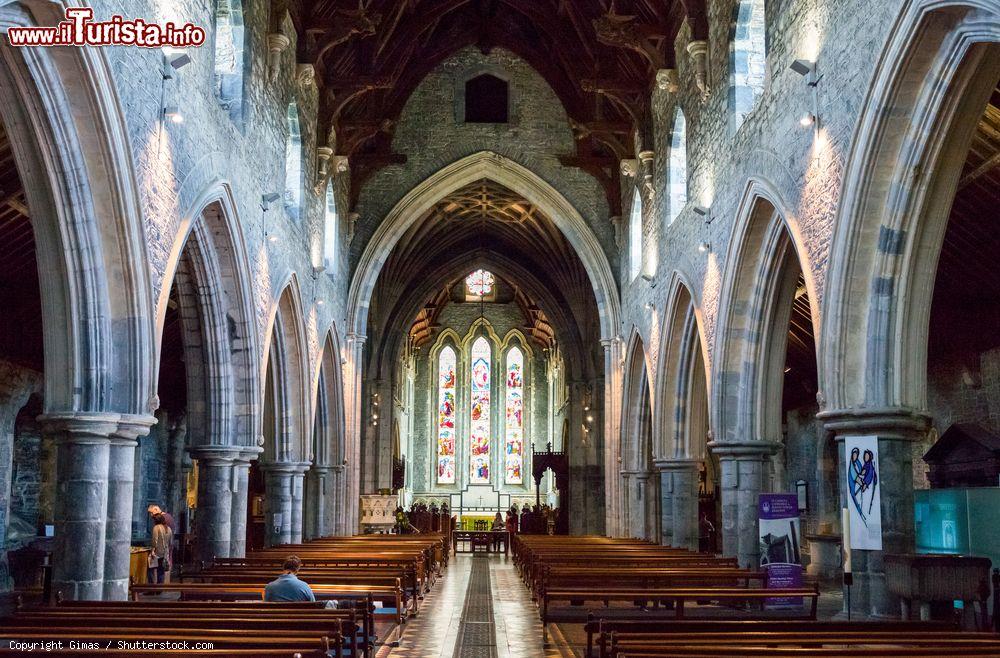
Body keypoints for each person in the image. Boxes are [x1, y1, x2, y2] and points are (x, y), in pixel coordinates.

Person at [149, 513, 173, 584]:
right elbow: (170, 541)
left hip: (157, 553)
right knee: (161, 571)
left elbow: (154, 540)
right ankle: (160, 588)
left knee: (151, 570)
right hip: (165, 553)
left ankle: (152, 589)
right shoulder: (168, 528)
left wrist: (152, 550)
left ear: (156, 520)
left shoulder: (156, 527)